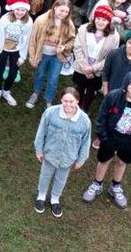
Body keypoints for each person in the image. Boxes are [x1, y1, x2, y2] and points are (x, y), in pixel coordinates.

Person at [83, 74, 131, 209]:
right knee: (104, 160)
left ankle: (115, 186)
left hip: (130, 139)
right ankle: (97, 184)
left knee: (121, 162)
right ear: (126, 84)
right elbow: (102, 117)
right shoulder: (113, 96)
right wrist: (103, 136)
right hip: (111, 136)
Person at [33, 88, 94, 217]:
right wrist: (39, 150)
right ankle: (41, 196)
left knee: (61, 179)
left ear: (77, 101)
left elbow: (86, 142)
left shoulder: (84, 121)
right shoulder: (50, 112)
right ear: (61, 100)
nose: (68, 104)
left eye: (71, 101)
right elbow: (41, 132)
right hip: (50, 154)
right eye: (65, 101)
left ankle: (55, 199)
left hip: (68, 158)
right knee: (45, 175)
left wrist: (81, 159)